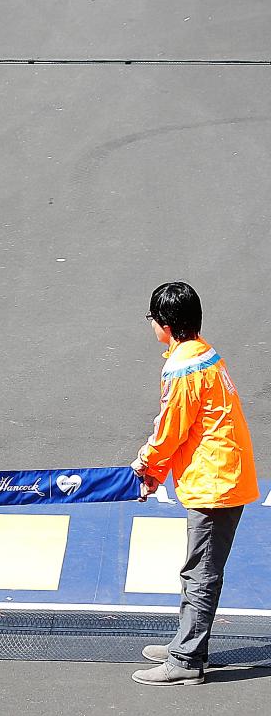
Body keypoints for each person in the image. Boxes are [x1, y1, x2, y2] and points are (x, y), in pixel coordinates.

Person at [130, 282, 259, 686]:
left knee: (200, 572)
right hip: (220, 474)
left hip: (214, 482)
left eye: (152, 319)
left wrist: (146, 466)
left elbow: (171, 430)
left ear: (165, 324)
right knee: (199, 569)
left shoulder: (182, 369)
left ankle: (186, 660)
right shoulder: (202, 352)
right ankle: (186, 644)